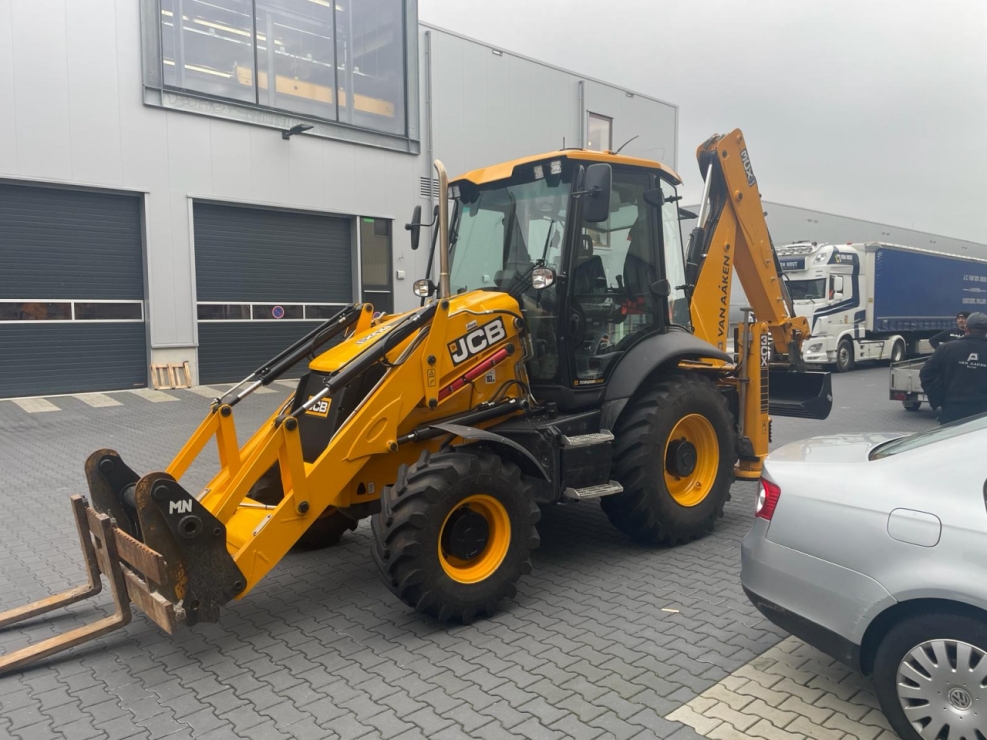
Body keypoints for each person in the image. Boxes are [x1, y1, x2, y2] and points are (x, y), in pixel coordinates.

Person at [920, 312, 987, 424]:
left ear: (966, 328)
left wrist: (938, 399)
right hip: (983, 414)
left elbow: (926, 374)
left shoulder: (946, 349)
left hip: (952, 410)